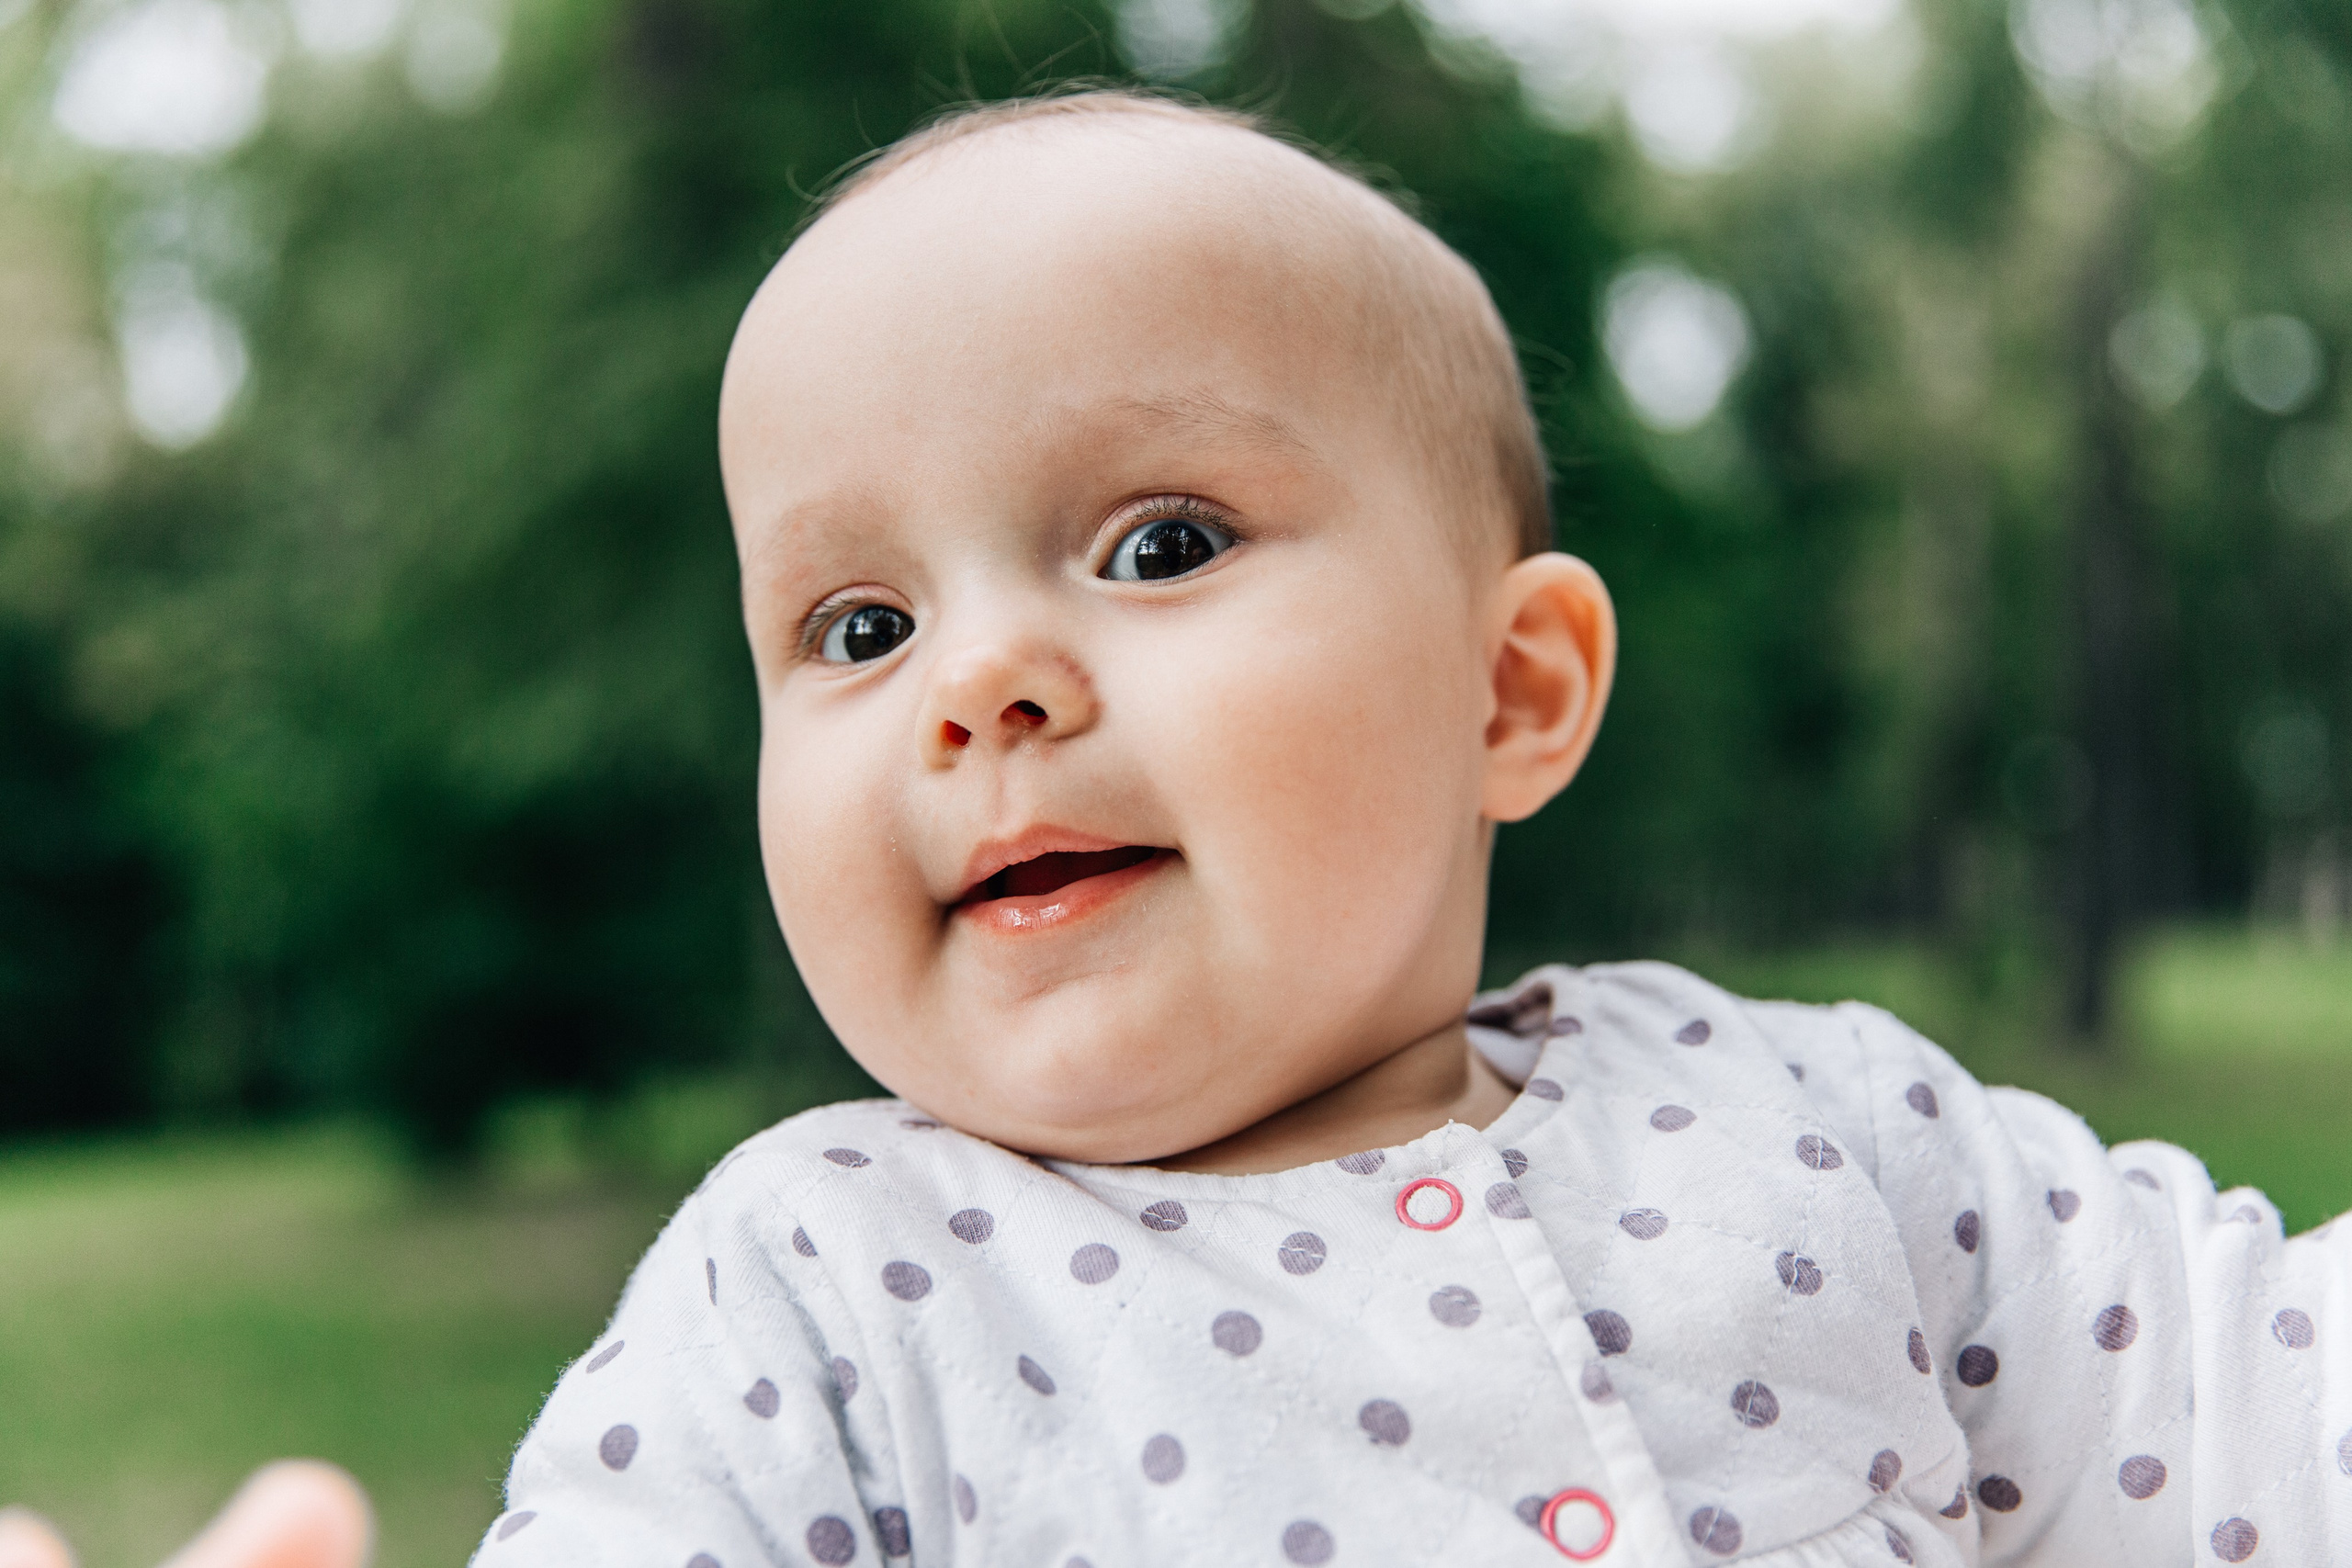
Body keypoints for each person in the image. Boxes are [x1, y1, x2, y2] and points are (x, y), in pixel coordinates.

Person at [11, 88, 2347, 1567]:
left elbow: (2275, 1405)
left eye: (1150, 546)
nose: (978, 680)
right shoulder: (824, 1296)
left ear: (1507, 688)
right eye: (849, 623)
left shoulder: (1824, 1123)